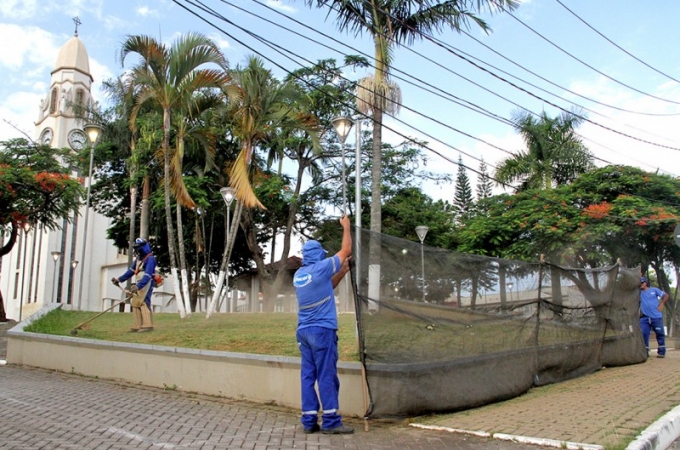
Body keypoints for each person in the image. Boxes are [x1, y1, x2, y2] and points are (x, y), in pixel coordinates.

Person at [293, 215, 354, 435]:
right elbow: (346, 250)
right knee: (326, 374)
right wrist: (346, 227)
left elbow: (327, 285)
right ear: (318, 255)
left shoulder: (300, 275)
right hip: (322, 331)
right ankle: (331, 421)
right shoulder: (320, 268)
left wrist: (344, 271)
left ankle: (309, 421)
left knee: (308, 375)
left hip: (303, 332)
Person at [112, 238, 157, 332]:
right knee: (135, 302)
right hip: (140, 282)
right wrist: (119, 279)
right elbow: (131, 271)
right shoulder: (138, 259)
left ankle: (148, 325)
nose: (137, 250)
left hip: (147, 282)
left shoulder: (150, 259)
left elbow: (148, 275)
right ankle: (137, 325)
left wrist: (138, 286)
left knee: (144, 302)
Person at [639, 276, 669, 358]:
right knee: (644, 333)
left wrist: (662, 304)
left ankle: (661, 352)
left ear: (645, 283)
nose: (641, 285)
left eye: (642, 283)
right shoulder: (638, 293)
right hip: (644, 318)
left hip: (656, 316)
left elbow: (666, 295)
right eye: (640, 283)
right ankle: (646, 351)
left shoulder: (654, 290)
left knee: (660, 333)